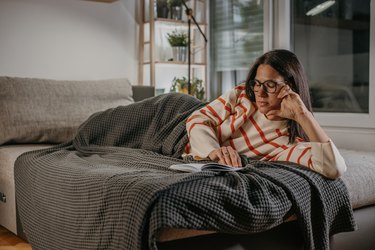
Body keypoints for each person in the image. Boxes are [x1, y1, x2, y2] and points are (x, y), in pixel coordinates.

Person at [183, 49, 346, 179]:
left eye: (270, 84)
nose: (260, 92)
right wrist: (213, 150)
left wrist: (302, 114)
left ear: (290, 87)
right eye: (257, 83)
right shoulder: (243, 95)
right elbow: (198, 118)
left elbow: (333, 168)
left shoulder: (288, 144)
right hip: (181, 119)